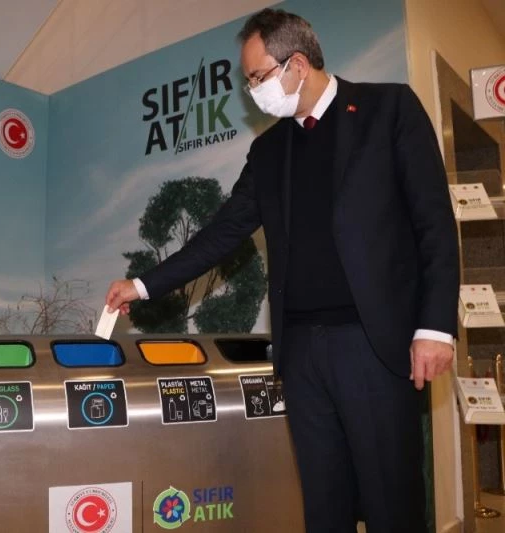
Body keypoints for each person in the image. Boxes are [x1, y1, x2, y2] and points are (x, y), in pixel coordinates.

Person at [105, 8, 459, 533]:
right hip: (302, 353)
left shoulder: (389, 110)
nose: (253, 92)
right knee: (324, 505)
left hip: (374, 345)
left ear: (296, 64)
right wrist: (142, 284)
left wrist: (435, 327)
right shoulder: (269, 149)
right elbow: (222, 232)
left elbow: (434, 223)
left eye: (257, 77)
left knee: (392, 505)